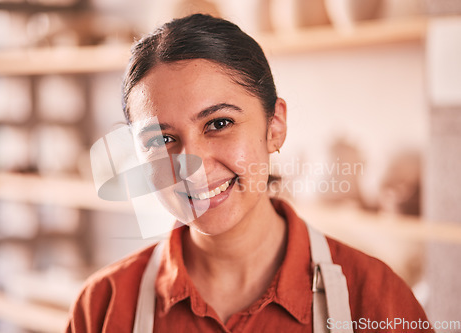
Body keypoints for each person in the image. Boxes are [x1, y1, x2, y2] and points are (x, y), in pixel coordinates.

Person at [66, 14, 432, 332]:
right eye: (162, 140)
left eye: (219, 123)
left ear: (275, 126)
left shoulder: (376, 302)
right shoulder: (101, 309)